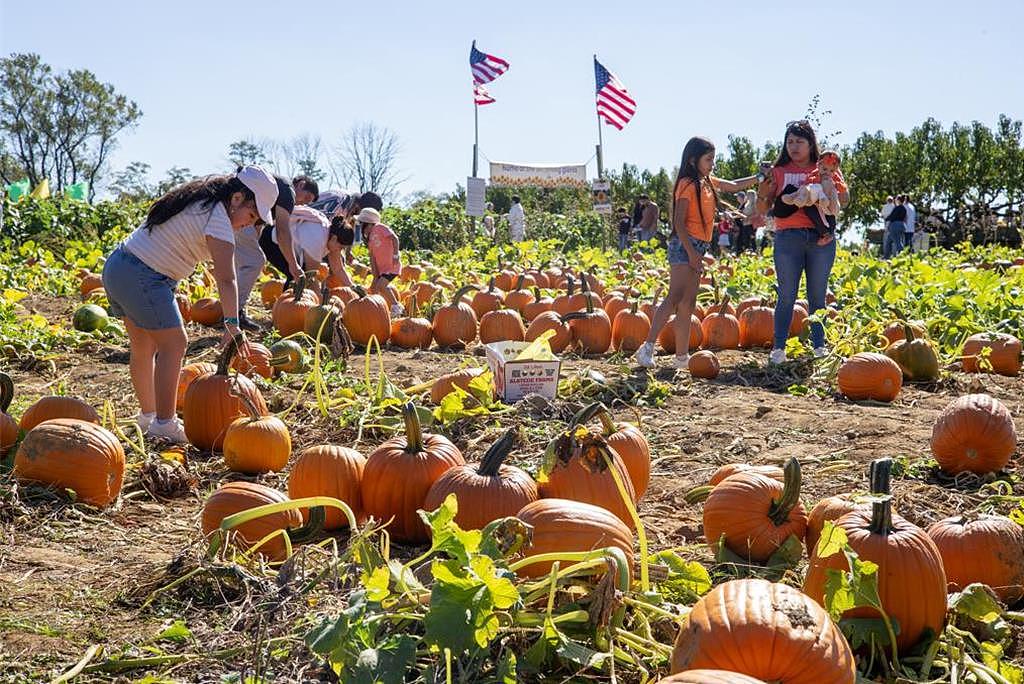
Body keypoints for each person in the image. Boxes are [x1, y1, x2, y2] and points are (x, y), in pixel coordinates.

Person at [101, 166, 277, 443]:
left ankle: (149, 416)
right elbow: (227, 279)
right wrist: (232, 324)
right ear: (237, 198)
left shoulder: (201, 200)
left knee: (143, 347)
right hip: (144, 275)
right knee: (175, 344)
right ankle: (165, 423)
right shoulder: (218, 220)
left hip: (119, 266)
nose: (248, 224)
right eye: (251, 215)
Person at [635, 137, 759, 369]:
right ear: (693, 160)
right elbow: (679, 223)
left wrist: (760, 177)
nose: (712, 163)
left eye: (714, 159)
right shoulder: (687, 184)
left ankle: (681, 357)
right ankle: (647, 347)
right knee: (674, 297)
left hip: (698, 246)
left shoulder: (707, 182)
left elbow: (732, 185)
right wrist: (692, 253)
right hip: (685, 245)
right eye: (708, 159)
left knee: (688, 303)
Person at [756, 120, 849, 364]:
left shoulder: (825, 167)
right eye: (790, 142)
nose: (794, 146)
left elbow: (844, 200)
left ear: (811, 144)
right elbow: (763, 207)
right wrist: (763, 191)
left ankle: (819, 346)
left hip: (821, 238)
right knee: (787, 294)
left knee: (818, 295)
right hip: (788, 237)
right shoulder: (777, 171)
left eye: (799, 141)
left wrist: (829, 182)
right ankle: (778, 348)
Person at [233, 173, 300, 331]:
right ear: (301, 185)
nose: (305, 202)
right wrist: (293, 264)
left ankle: (232, 309)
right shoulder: (288, 193)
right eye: (307, 196)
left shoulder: (275, 185)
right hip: (242, 213)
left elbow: (260, 224)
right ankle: (234, 313)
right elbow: (283, 231)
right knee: (254, 261)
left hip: (236, 210)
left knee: (240, 265)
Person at [778, 150, 845, 245]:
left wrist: (840, 188)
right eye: (825, 169)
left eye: (831, 171)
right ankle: (794, 198)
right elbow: (807, 185)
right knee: (810, 211)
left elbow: (842, 188)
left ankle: (829, 232)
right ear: (818, 165)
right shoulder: (814, 175)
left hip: (828, 200)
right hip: (814, 200)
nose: (827, 173)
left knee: (831, 216)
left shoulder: (834, 178)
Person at [357, 208, 403, 316]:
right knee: (374, 289)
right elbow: (372, 257)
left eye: (362, 224)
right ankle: (377, 311)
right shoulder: (370, 239)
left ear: (367, 223)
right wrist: (375, 275)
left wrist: (396, 255)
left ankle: (397, 307)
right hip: (382, 269)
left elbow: (394, 238)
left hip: (392, 266)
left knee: (382, 286)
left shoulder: (380, 227)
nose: (361, 229)